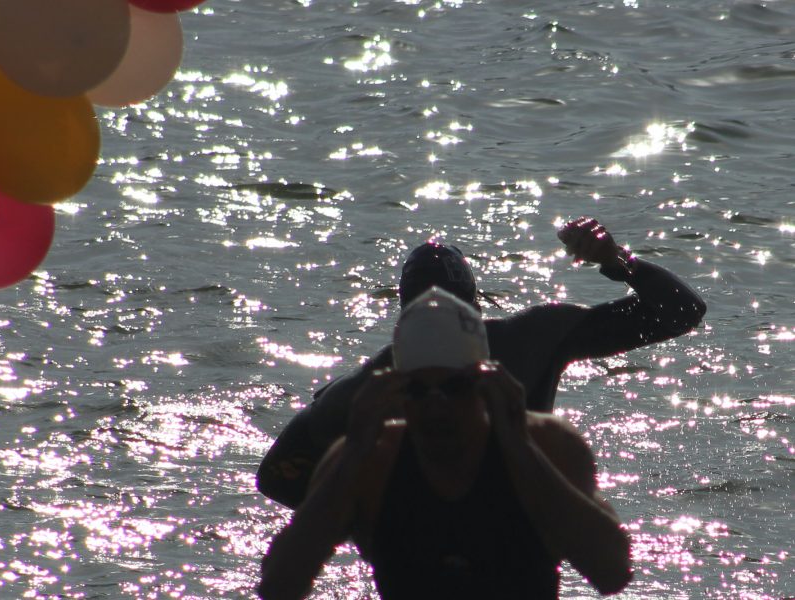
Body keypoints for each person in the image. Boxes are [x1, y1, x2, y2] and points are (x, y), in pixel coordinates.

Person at [257, 217, 707, 509]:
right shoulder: (531, 342)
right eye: (422, 388)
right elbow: (275, 480)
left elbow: (278, 479)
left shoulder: (364, 390)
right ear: (477, 304)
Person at [258, 288, 633, 599]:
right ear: (398, 393)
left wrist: (519, 448)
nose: (437, 406)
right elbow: (278, 587)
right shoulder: (369, 461)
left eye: (455, 387)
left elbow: (613, 573)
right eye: (418, 390)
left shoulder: (548, 445)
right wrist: (354, 450)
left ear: (484, 383)